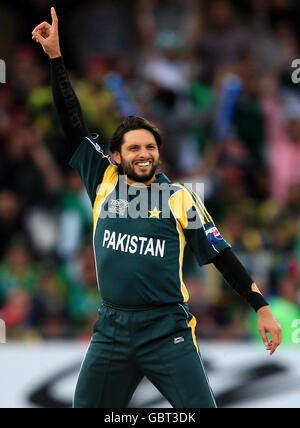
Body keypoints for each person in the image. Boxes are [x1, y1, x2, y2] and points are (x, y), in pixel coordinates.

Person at [32, 8, 282, 409]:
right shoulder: (104, 179)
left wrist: (262, 307)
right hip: (112, 329)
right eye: (134, 147)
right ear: (116, 155)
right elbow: (72, 121)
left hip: (167, 332)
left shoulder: (179, 198)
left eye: (150, 146)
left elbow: (222, 254)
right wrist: (57, 58)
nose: (144, 153)